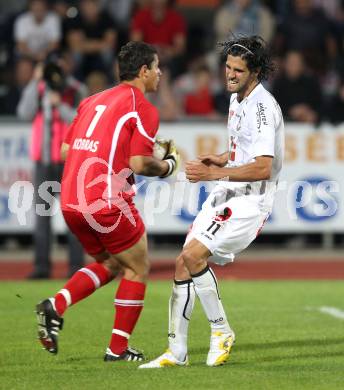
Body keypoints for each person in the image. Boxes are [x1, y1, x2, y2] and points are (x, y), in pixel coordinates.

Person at [139, 34, 284, 368]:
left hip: (250, 202)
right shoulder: (237, 99)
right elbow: (242, 151)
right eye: (228, 67)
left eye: (238, 70)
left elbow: (263, 167)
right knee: (182, 262)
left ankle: (221, 330)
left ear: (255, 72)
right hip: (229, 192)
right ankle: (176, 351)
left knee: (193, 255)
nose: (229, 74)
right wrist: (221, 159)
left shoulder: (262, 107)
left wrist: (213, 176)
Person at [35, 41, 180, 362]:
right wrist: (168, 165)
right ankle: (117, 349)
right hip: (106, 202)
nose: (160, 73)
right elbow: (141, 164)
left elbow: (64, 151)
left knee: (113, 263)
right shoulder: (141, 107)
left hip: (72, 201)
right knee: (138, 267)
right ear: (143, 71)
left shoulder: (91, 101)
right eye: (156, 67)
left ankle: (55, 305)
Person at [17, 54, 87, 279]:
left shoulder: (76, 89)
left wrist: (61, 106)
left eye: (59, 67)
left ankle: (76, 268)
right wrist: (33, 82)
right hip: (44, 161)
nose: (55, 72)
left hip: (70, 162)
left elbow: (83, 121)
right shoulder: (38, 89)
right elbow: (24, 113)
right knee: (41, 217)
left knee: (74, 216)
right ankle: (41, 267)